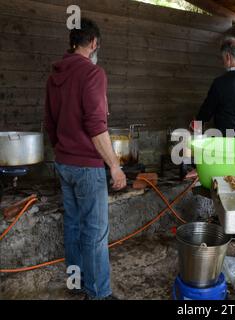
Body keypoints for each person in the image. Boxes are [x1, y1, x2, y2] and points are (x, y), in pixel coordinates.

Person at [45, 18, 126, 300]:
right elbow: (95, 126)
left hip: (64, 163)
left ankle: (76, 283)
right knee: (95, 232)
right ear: (93, 43)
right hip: (87, 166)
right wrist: (115, 166)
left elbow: (50, 123)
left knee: (74, 225)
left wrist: (62, 151)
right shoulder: (93, 74)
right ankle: (99, 293)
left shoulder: (55, 75)